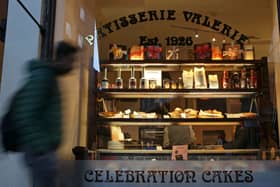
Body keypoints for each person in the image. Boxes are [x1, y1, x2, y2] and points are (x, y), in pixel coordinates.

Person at [11, 41, 79, 187]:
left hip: (45, 151)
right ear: (62, 57)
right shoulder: (44, 77)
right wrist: (40, 148)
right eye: (71, 60)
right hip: (41, 152)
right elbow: (25, 113)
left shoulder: (50, 77)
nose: (73, 65)